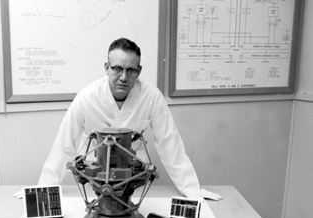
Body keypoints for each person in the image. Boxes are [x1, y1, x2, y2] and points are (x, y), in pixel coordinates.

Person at [37, 38, 221, 200]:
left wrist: (191, 189)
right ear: (106, 68)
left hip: (132, 177)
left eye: (131, 70)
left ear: (139, 71)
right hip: (94, 176)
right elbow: (65, 143)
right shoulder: (87, 97)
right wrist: (44, 189)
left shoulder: (151, 96)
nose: (124, 77)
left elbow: (169, 141)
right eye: (117, 68)